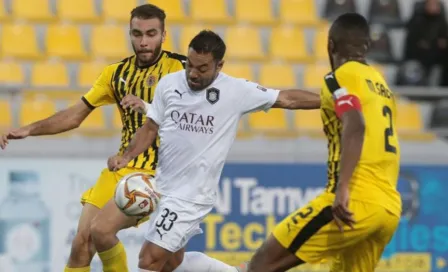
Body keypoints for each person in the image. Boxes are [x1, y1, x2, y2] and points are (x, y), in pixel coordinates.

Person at [0, 4, 195, 272]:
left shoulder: (182, 70)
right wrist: (29, 129)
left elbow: (199, 116)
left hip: (163, 175)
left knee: (156, 255)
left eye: (151, 34)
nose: (143, 41)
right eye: (137, 34)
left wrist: (150, 107)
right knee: (82, 243)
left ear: (163, 35)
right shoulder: (115, 74)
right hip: (122, 168)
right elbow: (75, 115)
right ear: (130, 34)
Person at [109, 29, 321, 272]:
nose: (193, 73)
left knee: (149, 259)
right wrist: (125, 156)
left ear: (219, 66)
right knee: (171, 265)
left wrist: (329, 100)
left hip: (192, 196)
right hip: (163, 189)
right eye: (190, 65)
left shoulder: (235, 91)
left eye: (202, 68)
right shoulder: (169, 85)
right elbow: (150, 128)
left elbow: (286, 99)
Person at [243, 13, 402, 272]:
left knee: (261, 263)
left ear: (330, 45)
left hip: (353, 202)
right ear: (366, 47)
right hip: (388, 208)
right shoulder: (381, 85)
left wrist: (343, 188)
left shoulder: (336, 78)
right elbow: (348, 112)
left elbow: (356, 124)